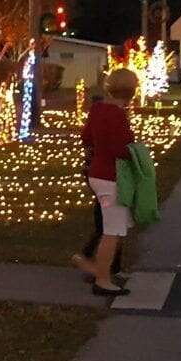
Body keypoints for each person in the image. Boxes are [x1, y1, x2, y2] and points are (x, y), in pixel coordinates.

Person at [73, 67, 139, 296]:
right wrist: (136, 152)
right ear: (131, 91)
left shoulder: (98, 110)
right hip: (112, 176)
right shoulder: (117, 115)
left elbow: (86, 138)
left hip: (96, 173)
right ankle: (103, 279)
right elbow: (121, 148)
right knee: (112, 231)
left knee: (113, 227)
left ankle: (98, 269)